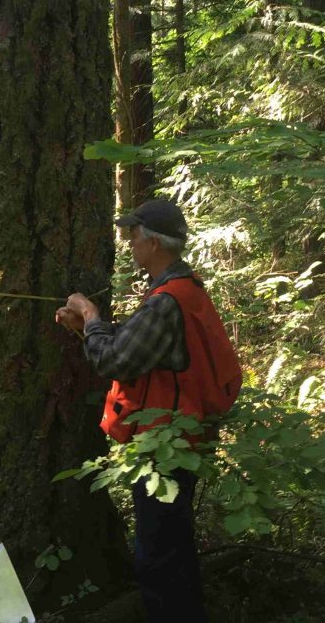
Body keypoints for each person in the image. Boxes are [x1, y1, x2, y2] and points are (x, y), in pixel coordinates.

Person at [56, 198, 241, 623]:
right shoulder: (184, 289)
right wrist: (88, 329)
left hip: (166, 448)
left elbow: (115, 361)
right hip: (180, 437)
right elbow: (145, 350)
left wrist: (91, 316)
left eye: (133, 237)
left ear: (154, 243)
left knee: (158, 558)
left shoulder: (165, 300)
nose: (129, 245)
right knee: (172, 549)